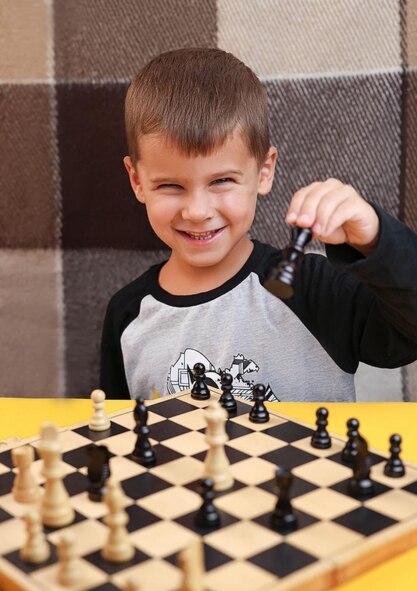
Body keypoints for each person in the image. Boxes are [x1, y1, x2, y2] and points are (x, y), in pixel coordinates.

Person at [100, 47, 417, 402]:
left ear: (264, 171)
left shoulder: (313, 289)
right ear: (137, 180)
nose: (197, 211)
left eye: (222, 181)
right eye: (170, 185)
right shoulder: (127, 315)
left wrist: (375, 239)